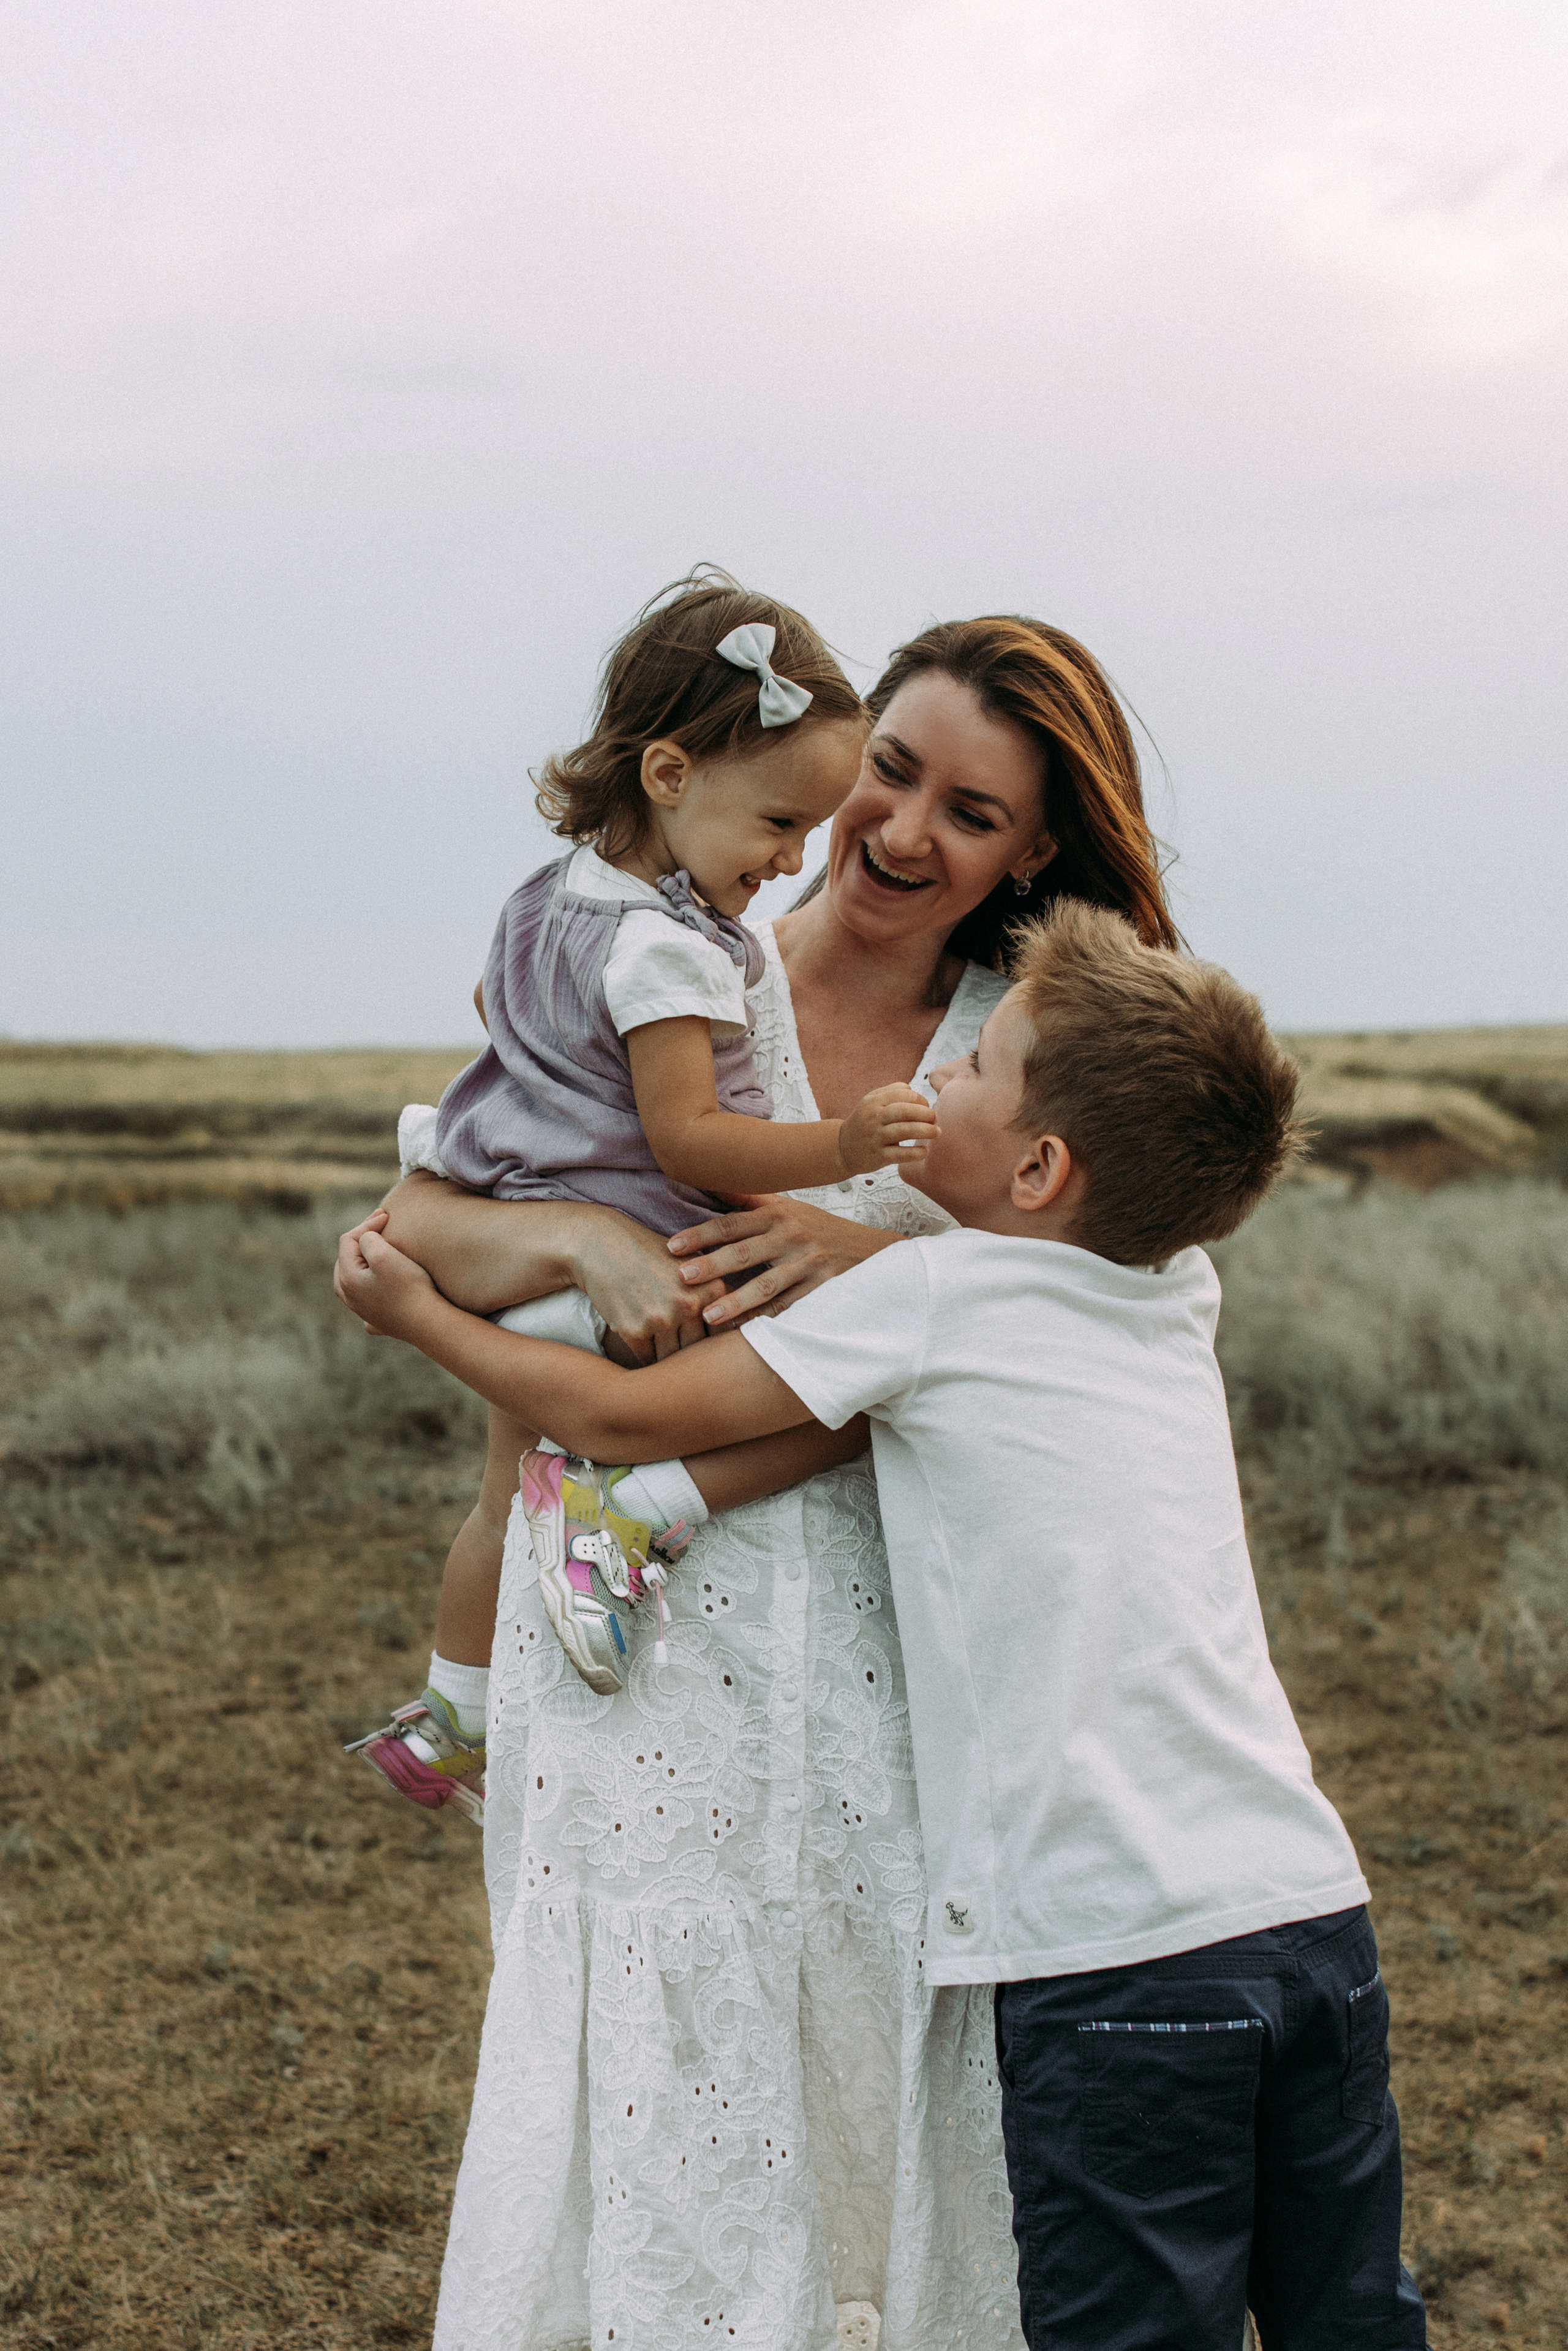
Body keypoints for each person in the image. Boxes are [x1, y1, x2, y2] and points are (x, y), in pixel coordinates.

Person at [340, 900, 1427, 2351]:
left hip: (1107, 1961)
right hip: (1308, 1920)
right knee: (1350, 2319)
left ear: (1038, 1166)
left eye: (978, 1071)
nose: (939, 1082)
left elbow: (607, 1411)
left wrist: (418, 1311)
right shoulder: (1177, 1286)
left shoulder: (930, 1296)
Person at [347, 611, 1177, 2350]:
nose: (896, 830)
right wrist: (575, 1226)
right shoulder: (667, 955)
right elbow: (418, 1218)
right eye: (890, 772)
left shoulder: (1023, 1051)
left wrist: (861, 1258)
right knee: (657, 2072)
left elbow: (1105, 1327)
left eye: (969, 812)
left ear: (1036, 850)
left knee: (873, 2062)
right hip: (622, 1654)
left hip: (905, 1661)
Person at [349, 573, 934, 1760]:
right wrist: (842, 1147)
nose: (790, 859)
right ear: (669, 776)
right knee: (858, 1388)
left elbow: (498, 1012)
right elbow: (689, 1139)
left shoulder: (545, 897)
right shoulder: (667, 952)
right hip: (627, 1250)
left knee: (498, 1491)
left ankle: (451, 1709)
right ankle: (638, 1511)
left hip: (503, 1207)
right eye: (777, 824)